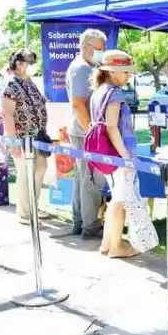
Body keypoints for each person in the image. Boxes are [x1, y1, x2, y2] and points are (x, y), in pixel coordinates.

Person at [91, 50, 158, 258]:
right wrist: (126, 158)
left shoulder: (98, 92)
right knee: (120, 201)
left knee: (116, 199)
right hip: (119, 155)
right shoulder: (115, 94)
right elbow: (112, 127)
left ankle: (107, 244)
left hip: (107, 155)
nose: (129, 76)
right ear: (112, 72)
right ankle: (116, 246)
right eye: (126, 71)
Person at [65, 29, 108, 239]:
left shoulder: (85, 66)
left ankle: (80, 221)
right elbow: (78, 104)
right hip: (85, 132)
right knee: (91, 179)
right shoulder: (82, 68)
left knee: (82, 177)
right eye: (99, 49)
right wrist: (92, 132)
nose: (101, 53)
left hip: (81, 131)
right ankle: (90, 226)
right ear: (85, 46)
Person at [2, 49, 51, 225]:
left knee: (40, 169)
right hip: (22, 138)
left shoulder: (31, 83)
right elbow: (7, 114)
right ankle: (24, 213)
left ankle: (33, 207)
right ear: (20, 64)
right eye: (30, 62)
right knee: (25, 174)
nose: (33, 65)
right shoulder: (11, 85)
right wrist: (13, 142)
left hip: (38, 137)